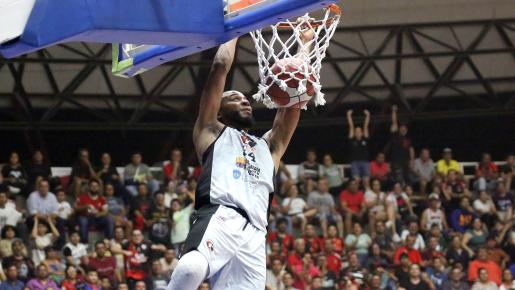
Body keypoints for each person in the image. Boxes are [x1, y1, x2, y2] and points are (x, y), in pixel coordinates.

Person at [75, 179, 114, 243]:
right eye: (92, 186)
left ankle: (110, 240)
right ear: (89, 187)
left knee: (109, 218)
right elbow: (76, 208)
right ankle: (84, 243)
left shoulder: (102, 198)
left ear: (98, 188)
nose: (94, 188)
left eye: (96, 186)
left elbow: (105, 211)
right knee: (83, 220)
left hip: (97, 219)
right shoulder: (82, 197)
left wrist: (99, 214)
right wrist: (85, 206)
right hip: (86, 217)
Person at [386, 105, 415, 184]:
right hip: (396, 162)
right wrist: (394, 111)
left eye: (405, 128)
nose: (403, 129)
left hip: (406, 162)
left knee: (408, 178)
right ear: (399, 129)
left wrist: (412, 160)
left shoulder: (408, 139)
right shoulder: (395, 135)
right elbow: (394, 122)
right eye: (402, 128)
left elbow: (411, 149)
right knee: (399, 179)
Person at [346, 109, 371, 189]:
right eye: (356, 131)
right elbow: (351, 126)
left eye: (359, 131)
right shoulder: (352, 140)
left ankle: (368, 195)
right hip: (355, 162)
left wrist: (367, 115)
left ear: (362, 132)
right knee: (356, 180)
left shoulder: (365, 139)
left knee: (366, 181)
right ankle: (357, 194)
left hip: (365, 161)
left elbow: (366, 126)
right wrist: (349, 116)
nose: (357, 132)